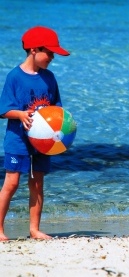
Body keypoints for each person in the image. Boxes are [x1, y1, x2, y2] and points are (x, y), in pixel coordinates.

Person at [0, 26, 70, 241]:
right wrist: (20, 114)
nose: (52, 57)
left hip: (43, 142)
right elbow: (3, 110)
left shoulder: (49, 78)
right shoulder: (15, 76)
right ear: (33, 49)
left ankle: (34, 229)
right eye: (49, 52)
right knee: (11, 183)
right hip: (18, 141)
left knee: (37, 183)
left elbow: (56, 109)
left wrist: (64, 127)